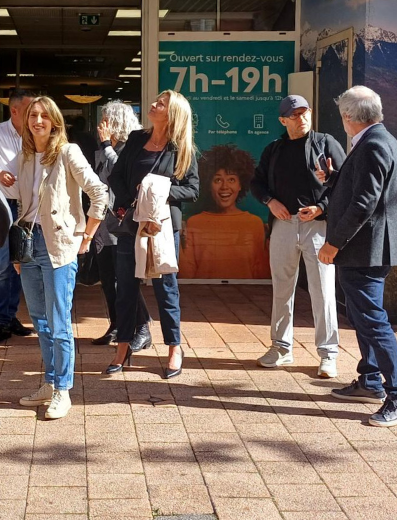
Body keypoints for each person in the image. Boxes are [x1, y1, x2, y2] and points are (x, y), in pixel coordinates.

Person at [319, 86, 397, 428]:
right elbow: (362, 188)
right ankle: (371, 381)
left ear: (348, 117)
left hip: (365, 250)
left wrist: (333, 243)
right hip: (368, 248)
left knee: (373, 320)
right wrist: (332, 178)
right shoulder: (380, 139)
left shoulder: (373, 144)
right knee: (363, 317)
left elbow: (365, 203)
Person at [11, 96, 109, 420]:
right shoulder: (25, 156)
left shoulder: (68, 152)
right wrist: (17, 252)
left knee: (59, 322)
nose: (37, 120)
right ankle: (50, 383)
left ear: (54, 121)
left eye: (43, 115)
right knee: (39, 320)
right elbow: (22, 205)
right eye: (32, 115)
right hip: (29, 247)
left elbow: (99, 193)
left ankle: (63, 391)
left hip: (59, 246)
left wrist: (88, 234)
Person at [251, 94, 347, 377]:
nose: (301, 118)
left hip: (317, 227)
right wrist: (271, 201)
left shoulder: (326, 142)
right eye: (294, 114)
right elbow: (256, 183)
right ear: (283, 120)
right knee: (282, 288)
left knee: (323, 290)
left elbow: (343, 183)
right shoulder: (274, 149)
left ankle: (328, 355)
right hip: (283, 224)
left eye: (305, 112)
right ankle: (281, 349)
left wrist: (321, 208)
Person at [106, 91, 199, 379]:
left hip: (162, 227)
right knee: (126, 289)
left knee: (166, 290)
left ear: (172, 114)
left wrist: (159, 191)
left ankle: (174, 348)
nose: (154, 104)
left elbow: (193, 190)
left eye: (161, 103)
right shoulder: (136, 139)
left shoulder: (182, 148)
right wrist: (126, 201)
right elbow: (116, 176)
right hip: (132, 224)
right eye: (156, 100)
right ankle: (123, 346)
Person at [0, 88, 37, 346]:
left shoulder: (38, 134)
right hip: (2, 206)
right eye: (30, 111)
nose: (36, 116)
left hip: (29, 208)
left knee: (22, 263)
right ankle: (1, 321)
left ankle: (11, 317)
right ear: (15, 111)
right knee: (2, 265)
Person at [89, 101, 151, 349]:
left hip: (122, 223)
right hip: (104, 225)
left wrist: (106, 146)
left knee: (124, 280)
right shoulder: (108, 148)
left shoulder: (130, 148)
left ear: (116, 122)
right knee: (108, 280)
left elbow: (121, 175)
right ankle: (117, 325)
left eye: (105, 119)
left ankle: (142, 327)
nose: (101, 125)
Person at [178, 145, 270, 280]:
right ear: (209, 184)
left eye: (231, 179)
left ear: (240, 185)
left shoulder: (254, 224)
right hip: (202, 295)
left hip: (247, 295)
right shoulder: (194, 222)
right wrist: (179, 240)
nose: (224, 187)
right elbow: (187, 275)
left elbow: (262, 275)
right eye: (218, 180)